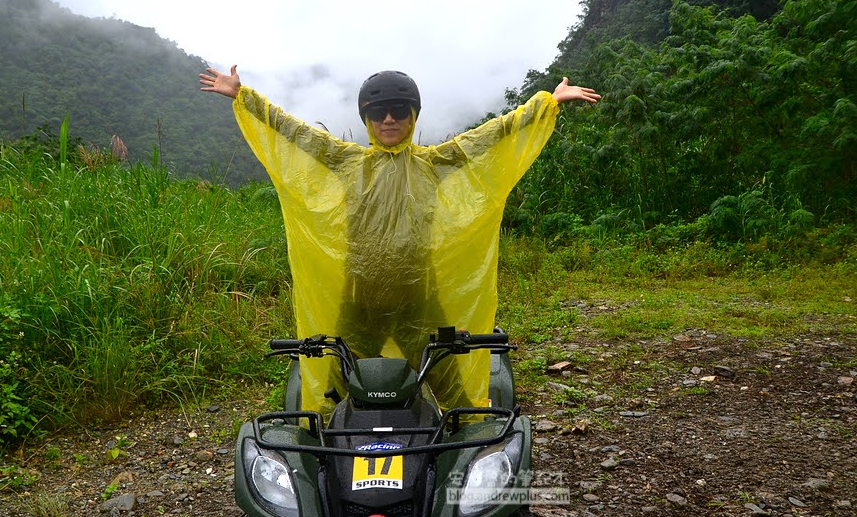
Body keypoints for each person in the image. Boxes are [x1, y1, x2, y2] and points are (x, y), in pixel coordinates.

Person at [201, 65, 600, 416]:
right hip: (360, 301)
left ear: (412, 116)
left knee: (452, 390)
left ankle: (472, 459)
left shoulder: (436, 162)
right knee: (333, 393)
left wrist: (547, 102)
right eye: (378, 112)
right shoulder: (346, 161)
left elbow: (491, 136)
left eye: (398, 111)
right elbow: (296, 133)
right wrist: (244, 96)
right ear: (367, 118)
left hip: (420, 300)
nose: (388, 119)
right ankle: (322, 466)